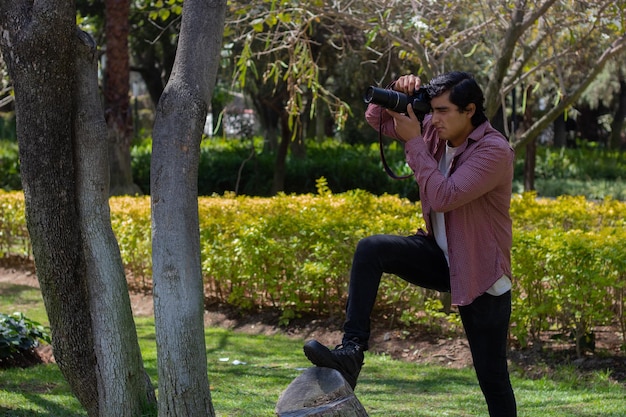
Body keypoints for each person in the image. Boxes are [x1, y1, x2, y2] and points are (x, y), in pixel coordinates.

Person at [303, 71, 517, 417]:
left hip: (481, 274)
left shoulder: (494, 151)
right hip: (440, 257)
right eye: (431, 109)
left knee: (492, 379)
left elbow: (445, 196)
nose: (435, 118)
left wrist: (415, 141)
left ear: (470, 110)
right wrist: (397, 90)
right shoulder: (434, 128)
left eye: (443, 110)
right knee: (371, 249)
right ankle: (351, 352)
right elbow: (376, 116)